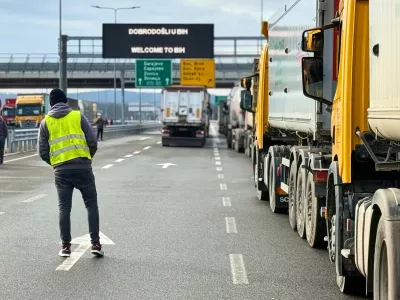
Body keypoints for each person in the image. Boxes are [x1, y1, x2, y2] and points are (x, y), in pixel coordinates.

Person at [37, 88, 104, 257]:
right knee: (91, 205)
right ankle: (95, 243)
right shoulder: (77, 116)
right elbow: (92, 140)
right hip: (83, 168)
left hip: (61, 171)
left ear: (50, 104)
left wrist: (55, 163)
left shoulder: (46, 122)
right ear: (65, 101)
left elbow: (42, 151)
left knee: (64, 208)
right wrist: (87, 157)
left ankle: (66, 247)